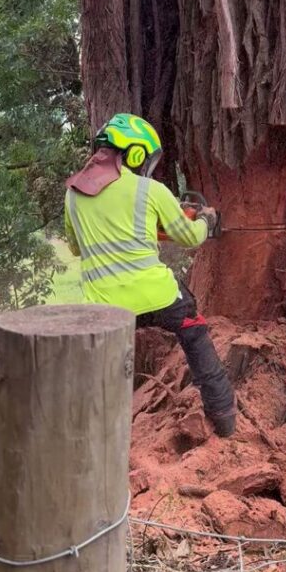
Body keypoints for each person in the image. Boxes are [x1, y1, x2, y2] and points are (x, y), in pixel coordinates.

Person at [64, 112, 236, 437]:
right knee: (195, 335)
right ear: (136, 152)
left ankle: (98, 434)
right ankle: (224, 416)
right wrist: (206, 222)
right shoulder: (149, 190)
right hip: (158, 297)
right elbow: (189, 237)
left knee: (105, 367)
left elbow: (77, 247)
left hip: (105, 306)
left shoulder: (73, 195)